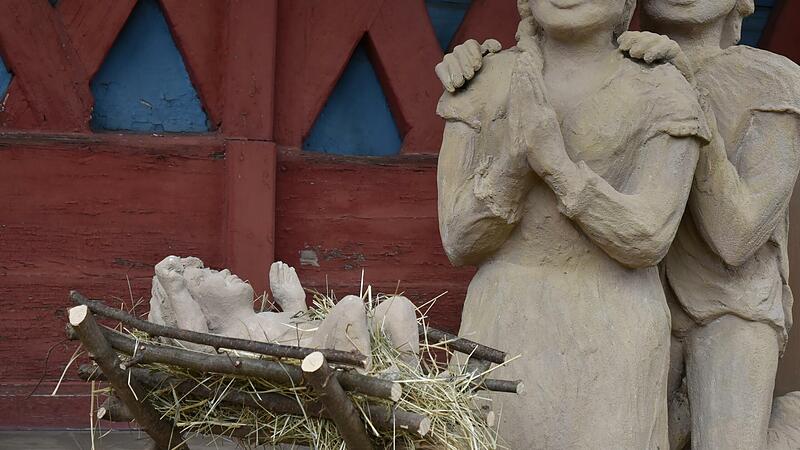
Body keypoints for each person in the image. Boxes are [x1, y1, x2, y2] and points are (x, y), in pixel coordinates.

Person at [435, 0, 709, 447]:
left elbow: (648, 235)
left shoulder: (660, 89)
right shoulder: (482, 83)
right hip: (502, 318)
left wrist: (557, 167)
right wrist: (514, 162)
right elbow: (459, 238)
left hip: (613, 324)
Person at [616, 2, 800, 448]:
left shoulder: (772, 80)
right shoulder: (609, 72)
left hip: (734, 303)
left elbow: (736, 236)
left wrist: (686, 95)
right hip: (630, 295)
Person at [148, 255, 420, 368]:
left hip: (337, 350)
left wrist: (294, 304)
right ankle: (370, 385)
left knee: (398, 306)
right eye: (204, 277)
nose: (224, 271)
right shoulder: (230, 339)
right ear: (202, 312)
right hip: (328, 374)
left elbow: (307, 329)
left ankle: (408, 376)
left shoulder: (265, 317)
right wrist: (177, 291)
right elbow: (197, 347)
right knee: (350, 307)